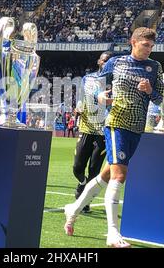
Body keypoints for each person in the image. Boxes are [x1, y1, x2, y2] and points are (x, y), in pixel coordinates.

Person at [64, 28, 163, 248]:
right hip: (116, 123)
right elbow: (93, 84)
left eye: (151, 46)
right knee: (120, 176)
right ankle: (112, 232)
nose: (148, 49)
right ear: (133, 42)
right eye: (145, 45)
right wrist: (98, 96)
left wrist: (149, 91)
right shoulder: (116, 63)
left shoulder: (155, 67)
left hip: (136, 128)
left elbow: (160, 99)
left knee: (106, 175)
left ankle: (73, 210)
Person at [71, 51, 112, 213]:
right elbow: (81, 96)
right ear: (99, 62)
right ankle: (82, 183)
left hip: (103, 131)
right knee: (77, 167)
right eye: (104, 60)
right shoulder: (88, 78)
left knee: (94, 169)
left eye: (109, 61)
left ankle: (84, 201)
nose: (106, 63)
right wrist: (79, 108)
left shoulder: (116, 82)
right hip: (86, 127)